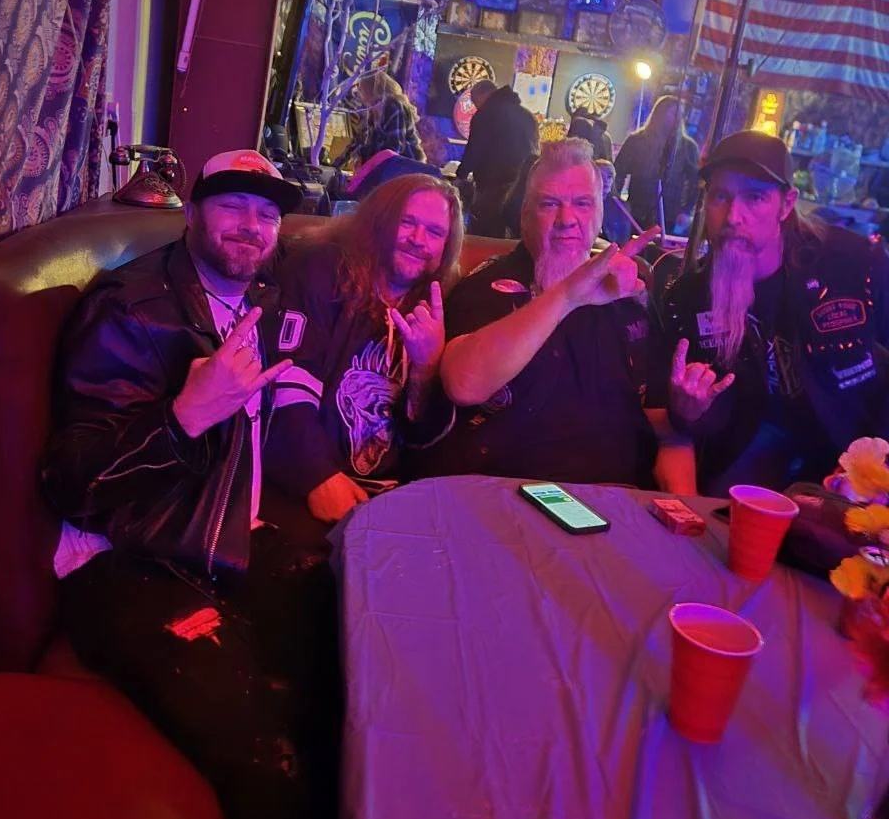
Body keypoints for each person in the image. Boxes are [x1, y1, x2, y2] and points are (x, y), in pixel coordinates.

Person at [42, 149, 337, 819]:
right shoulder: (129, 308)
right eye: (233, 205)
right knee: (265, 759)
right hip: (123, 562)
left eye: (268, 214)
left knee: (354, 658)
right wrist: (184, 418)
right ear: (193, 213)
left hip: (221, 532)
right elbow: (75, 487)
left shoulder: (265, 296)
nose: (252, 225)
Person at [426, 139, 695, 491]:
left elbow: (665, 429)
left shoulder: (630, 297)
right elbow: (464, 383)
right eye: (549, 204)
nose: (567, 220)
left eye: (582, 203)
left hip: (618, 501)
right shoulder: (488, 284)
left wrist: (683, 415)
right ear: (524, 216)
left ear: (600, 214)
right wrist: (567, 295)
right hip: (503, 495)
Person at [654, 130, 889, 496]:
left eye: (755, 197)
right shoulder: (688, 297)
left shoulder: (850, 264)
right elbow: (690, 429)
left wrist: (877, 465)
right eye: (720, 196)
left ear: (786, 204)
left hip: (858, 451)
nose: (734, 216)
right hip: (753, 456)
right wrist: (686, 412)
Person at [265, 173, 464, 524]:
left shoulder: (438, 303)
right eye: (407, 222)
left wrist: (427, 366)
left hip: (389, 497)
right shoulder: (324, 269)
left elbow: (423, 440)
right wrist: (317, 477)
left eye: (435, 232)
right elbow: (286, 381)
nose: (418, 240)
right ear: (378, 221)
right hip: (301, 483)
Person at [456, 80, 539, 237]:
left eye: (474, 102)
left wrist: (461, 175)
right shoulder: (528, 116)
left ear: (481, 95)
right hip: (521, 189)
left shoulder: (486, 114)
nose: (475, 106)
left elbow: (475, 149)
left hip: (493, 187)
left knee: (482, 233)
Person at [614, 94, 699, 233]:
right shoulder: (636, 141)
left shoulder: (687, 147)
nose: (678, 118)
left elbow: (695, 183)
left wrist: (686, 210)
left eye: (680, 114)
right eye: (674, 113)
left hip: (668, 217)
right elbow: (617, 173)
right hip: (636, 212)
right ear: (660, 114)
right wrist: (619, 202)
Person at [337, 70, 425, 167]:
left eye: (361, 89)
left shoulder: (394, 105)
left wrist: (366, 157)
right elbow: (360, 141)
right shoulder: (372, 112)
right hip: (389, 167)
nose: (359, 93)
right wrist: (338, 163)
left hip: (407, 168)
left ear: (371, 89)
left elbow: (394, 147)